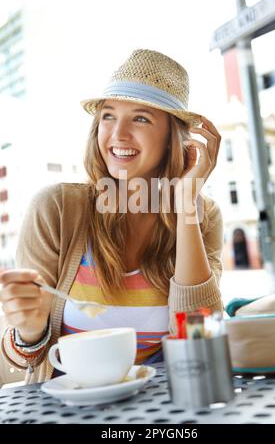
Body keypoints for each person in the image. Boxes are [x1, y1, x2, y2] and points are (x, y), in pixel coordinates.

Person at [0, 49, 223, 385]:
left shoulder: (202, 215)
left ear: (172, 138)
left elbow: (200, 339)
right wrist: (29, 328)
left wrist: (186, 206)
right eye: (108, 116)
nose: (118, 134)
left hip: (166, 409)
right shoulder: (56, 208)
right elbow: (25, 357)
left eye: (141, 118)